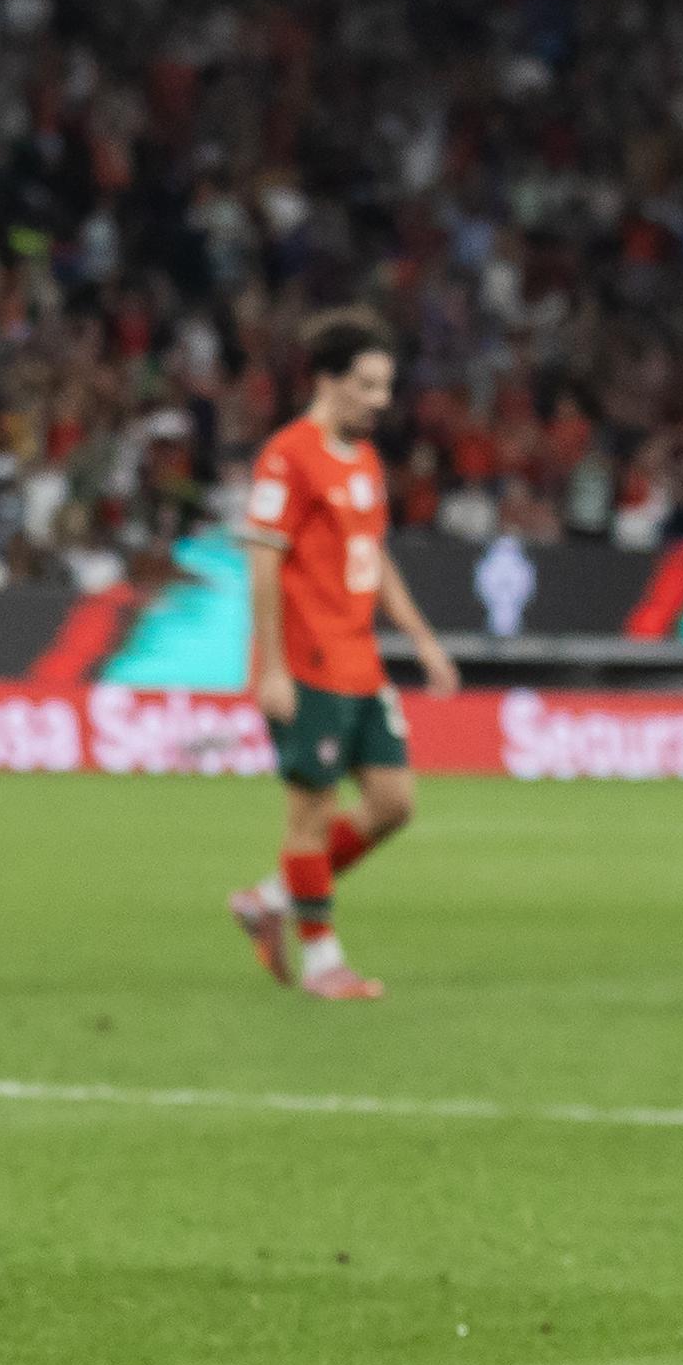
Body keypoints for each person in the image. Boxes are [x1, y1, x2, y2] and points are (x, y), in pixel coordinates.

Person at [226, 311, 463, 1001]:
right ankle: (323, 962)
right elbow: (263, 562)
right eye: (367, 386)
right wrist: (271, 666)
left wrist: (420, 637)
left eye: (386, 387)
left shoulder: (362, 459)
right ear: (328, 381)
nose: (381, 401)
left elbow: (373, 556)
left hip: (360, 661)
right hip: (307, 665)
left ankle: (271, 899)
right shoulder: (287, 456)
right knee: (309, 815)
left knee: (393, 803)